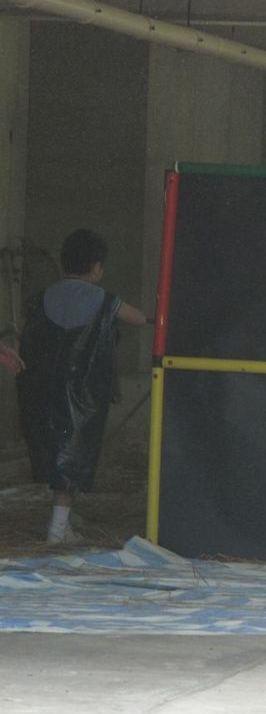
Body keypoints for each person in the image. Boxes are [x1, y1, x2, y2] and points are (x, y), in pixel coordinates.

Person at [17, 229, 148, 545]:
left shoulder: (42, 297)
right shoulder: (103, 298)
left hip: (40, 392)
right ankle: (58, 529)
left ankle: (63, 516)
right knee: (72, 459)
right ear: (97, 267)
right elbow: (137, 318)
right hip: (82, 396)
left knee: (53, 455)